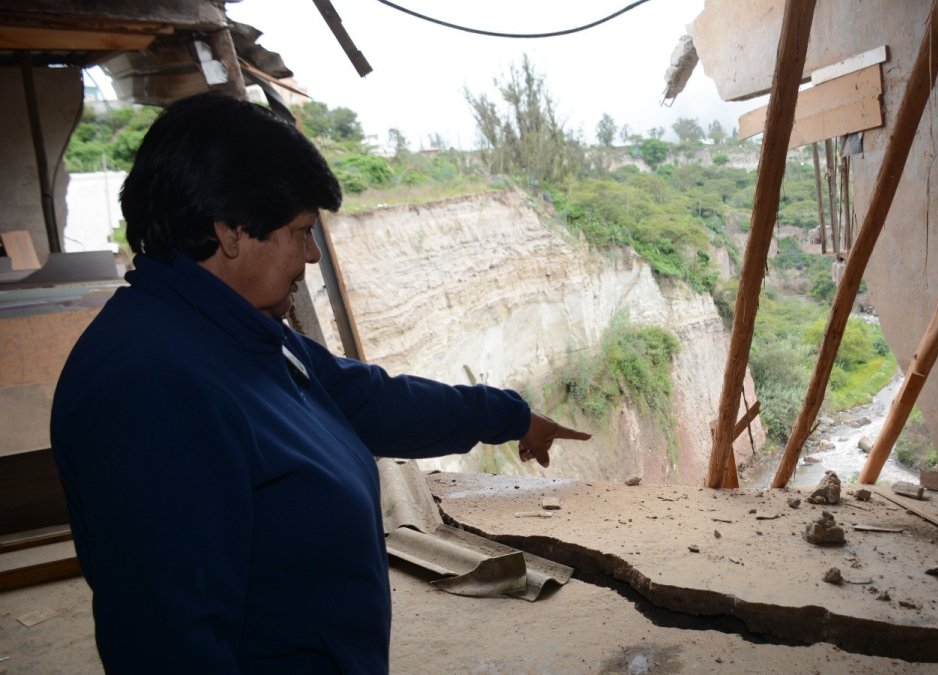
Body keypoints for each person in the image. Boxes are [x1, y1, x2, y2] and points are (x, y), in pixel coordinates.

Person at [50, 92, 589, 673]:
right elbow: (168, 642)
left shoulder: (239, 331)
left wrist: (509, 417)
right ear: (231, 231)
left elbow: (370, 400)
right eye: (301, 231)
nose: (311, 255)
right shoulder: (149, 389)